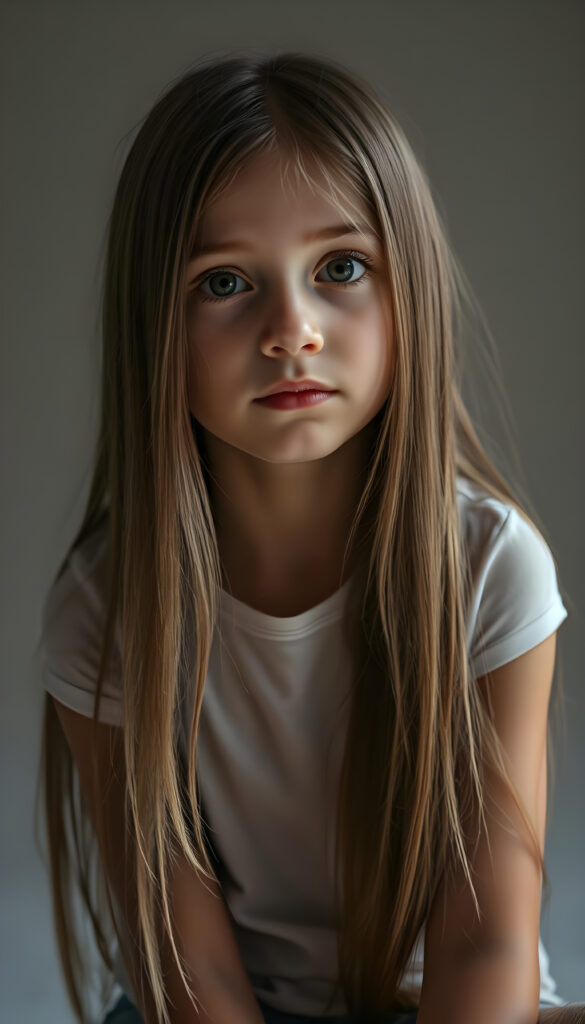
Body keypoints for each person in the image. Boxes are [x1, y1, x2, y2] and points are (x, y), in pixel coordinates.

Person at [34, 50, 577, 1024]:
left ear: (409, 289)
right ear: (153, 320)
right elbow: (188, 969)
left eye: (341, 268)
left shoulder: (491, 568)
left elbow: (484, 943)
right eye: (223, 281)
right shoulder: (105, 608)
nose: (292, 330)